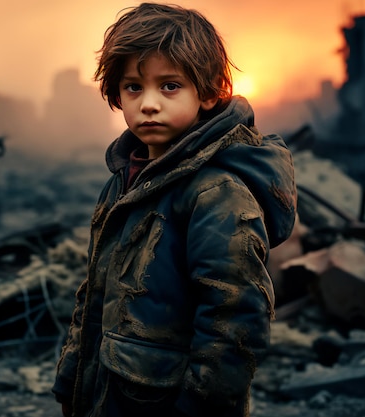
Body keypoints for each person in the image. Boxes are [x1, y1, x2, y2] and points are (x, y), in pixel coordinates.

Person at [52, 2, 297, 417]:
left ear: (210, 91)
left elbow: (234, 326)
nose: (148, 103)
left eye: (169, 86)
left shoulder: (216, 193)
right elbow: (94, 291)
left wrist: (198, 408)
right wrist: (72, 376)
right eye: (133, 87)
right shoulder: (123, 182)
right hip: (110, 396)